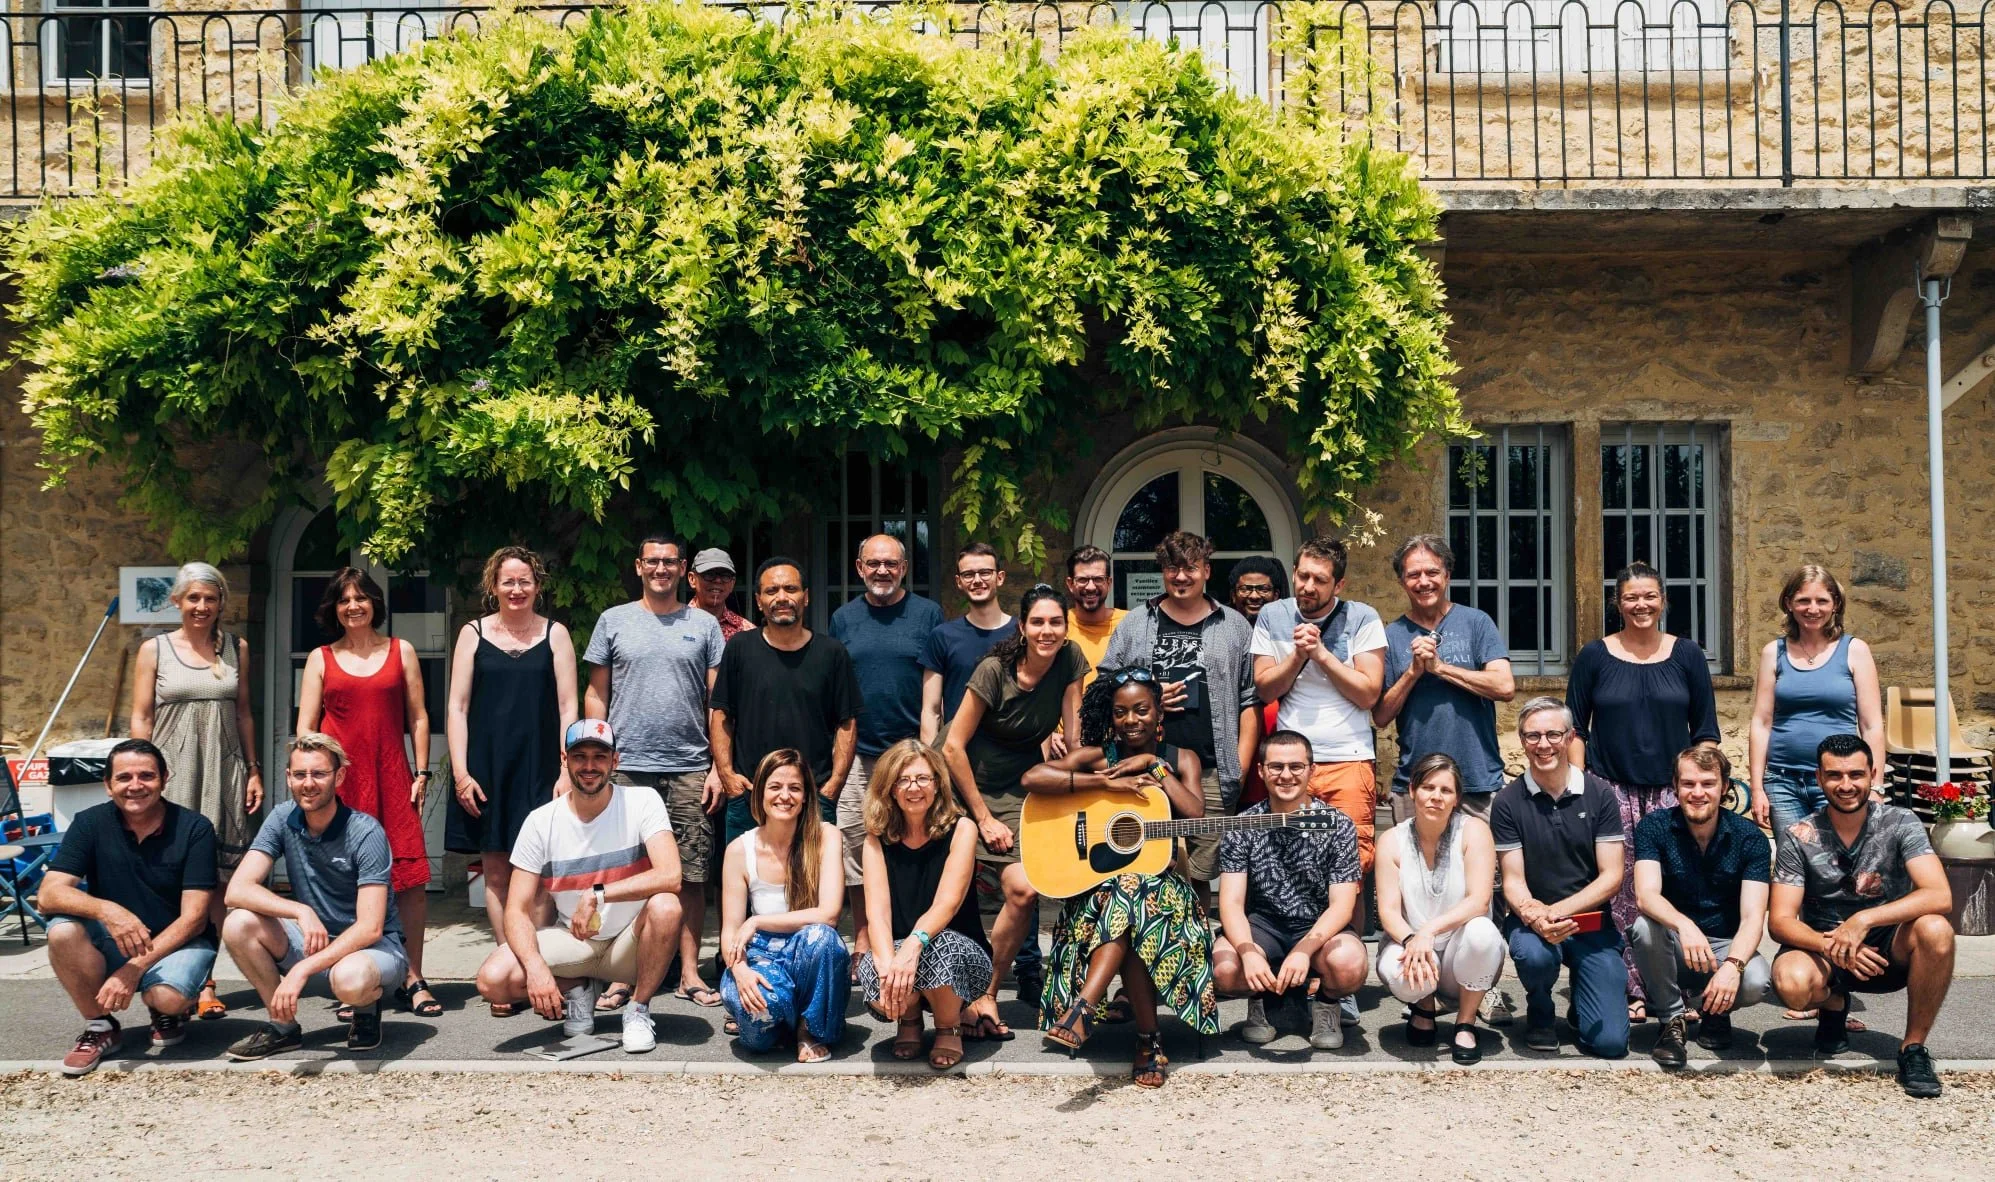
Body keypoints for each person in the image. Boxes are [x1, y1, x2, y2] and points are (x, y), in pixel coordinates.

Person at [1024, 668, 1219, 1087]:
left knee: (1132, 897)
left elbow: (1196, 814)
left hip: (1167, 896)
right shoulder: (1099, 756)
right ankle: (1148, 1043)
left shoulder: (1182, 756)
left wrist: (1155, 767)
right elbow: (1033, 778)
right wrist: (1106, 785)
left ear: (1158, 711)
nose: (1131, 720)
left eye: (1141, 710)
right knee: (1126, 898)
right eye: (1121, 712)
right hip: (1098, 897)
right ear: (1111, 717)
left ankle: (1082, 1010)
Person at [1565, 560, 1720, 1023]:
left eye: (1649, 596)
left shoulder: (1687, 655)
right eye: (1631, 597)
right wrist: (1581, 787)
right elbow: (1575, 729)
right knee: (1620, 892)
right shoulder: (1594, 656)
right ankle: (1631, 990)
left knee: (1674, 888)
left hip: (1674, 795)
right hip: (1611, 791)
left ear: (1663, 600)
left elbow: (1706, 732)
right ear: (1618, 603)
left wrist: (1698, 786)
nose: (1641, 605)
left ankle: (1677, 988)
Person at [472, 719, 685, 1054]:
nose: (589, 766)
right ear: (564, 760)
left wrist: (597, 892)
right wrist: (536, 967)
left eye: (600, 757)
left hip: (630, 943)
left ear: (615, 761)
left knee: (667, 906)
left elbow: (671, 875)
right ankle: (579, 989)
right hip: (574, 941)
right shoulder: (541, 822)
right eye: (579, 756)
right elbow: (515, 909)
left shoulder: (643, 801)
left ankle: (638, 1008)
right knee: (492, 981)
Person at [582, 533, 725, 1012]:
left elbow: (716, 704)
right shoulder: (613, 621)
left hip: (688, 766)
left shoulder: (705, 625)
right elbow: (596, 696)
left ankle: (687, 972)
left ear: (683, 569)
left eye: (669, 562)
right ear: (638, 566)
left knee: (691, 873)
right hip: (627, 769)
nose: (660, 569)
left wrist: (716, 767)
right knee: (626, 870)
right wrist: (598, 759)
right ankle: (623, 974)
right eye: (652, 562)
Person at [1770, 734, 1955, 1098]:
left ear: (1872, 774)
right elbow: (1780, 921)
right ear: (1819, 778)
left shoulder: (1901, 822)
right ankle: (1835, 1003)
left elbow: (1939, 894)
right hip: (1824, 945)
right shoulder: (1799, 835)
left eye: (1855, 774)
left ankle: (1913, 1049)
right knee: (1791, 984)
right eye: (1834, 775)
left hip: (1889, 945)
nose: (1846, 785)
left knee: (1937, 929)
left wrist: (1864, 921)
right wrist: (1836, 943)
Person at [941, 584, 1087, 1040]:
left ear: (1066, 627)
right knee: (950, 890)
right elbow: (951, 746)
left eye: (1056, 622)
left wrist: (1081, 787)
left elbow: (1075, 740)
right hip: (960, 782)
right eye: (1038, 622)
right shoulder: (993, 670)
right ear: (1022, 627)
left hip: (1020, 784)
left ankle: (986, 992)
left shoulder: (1070, 659)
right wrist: (983, 817)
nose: (1047, 631)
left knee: (1024, 888)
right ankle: (936, 994)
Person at [295, 567, 439, 1018]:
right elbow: (306, 727)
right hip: (343, 784)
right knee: (347, 880)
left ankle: (413, 977)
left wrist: (421, 772)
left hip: (393, 775)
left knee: (409, 882)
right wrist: (318, 776)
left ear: (375, 603)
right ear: (334, 609)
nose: (353, 606)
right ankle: (351, 976)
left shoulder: (402, 651)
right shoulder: (321, 657)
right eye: (344, 600)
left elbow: (418, 716)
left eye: (361, 598)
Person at [221, 733, 409, 1059]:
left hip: (370, 951)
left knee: (351, 979)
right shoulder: (281, 818)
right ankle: (282, 1026)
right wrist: (300, 912)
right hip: (314, 942)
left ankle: (365, 1009)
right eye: (300, 774)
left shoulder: (365, 832)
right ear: (288, 778)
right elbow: (237, 890)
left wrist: (300, 971)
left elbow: (370, 928)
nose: (308, 784)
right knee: (238, 923)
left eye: (319, 774)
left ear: (339, 777)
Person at [129, 560, 262, 1020]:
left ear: (222, 602)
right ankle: (187, 983)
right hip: (173, 773)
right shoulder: (155, 650)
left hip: (224, 772)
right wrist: (141, 776)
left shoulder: (237, 648)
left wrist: (254, 769)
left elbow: (244, 712)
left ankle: (218, 978)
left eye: (210, 598)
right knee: (179, 881)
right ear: (177, 601)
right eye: (193, 598)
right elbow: (142, 717)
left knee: (223, 883)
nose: (202, 606)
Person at [42, 739, 219, 1077]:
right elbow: (49, 894)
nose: (135, 786)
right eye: (124, 778)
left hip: (178, 942)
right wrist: (109, 911)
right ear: (108, 785)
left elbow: (195, 919)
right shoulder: (89, 823)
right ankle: (100, 1027)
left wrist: (132, 969)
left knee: (166, 997)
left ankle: (165, 1010)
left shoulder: (195, 828)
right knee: (62, 931)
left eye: (146, 776)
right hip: (116, 937)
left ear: (165, 778)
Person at [446, 546, 579, 971]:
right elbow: (457, 708)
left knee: (540, 875)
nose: (516, 589)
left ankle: (538, 964)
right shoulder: (473, 633)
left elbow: (568, 707)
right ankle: (511, 966)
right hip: (487, 769)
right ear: (494, 586)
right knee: (497, 871)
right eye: (508, 581)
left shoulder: (556, 634)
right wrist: (462, 774)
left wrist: (566, 770)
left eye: (525, 581)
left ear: (537, 586)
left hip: (542, 769)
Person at [1103, 530, 1258, 892]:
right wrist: (1150, 691)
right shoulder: (1137, 622)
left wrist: (1239, 765)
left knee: (1200, 877)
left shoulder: (1234, 625)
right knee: (1139, 866)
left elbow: (1249, 699)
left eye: (1190, 568)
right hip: (1141, 765)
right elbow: (1105, 686)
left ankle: (1195, 948)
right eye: (1172, 568)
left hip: (1211, 770)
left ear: (1206, 571)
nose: (1181, 576)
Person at [1211, 729, 1365, 1053]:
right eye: (1276, 766)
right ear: (1261, 771)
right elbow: (1231, 902)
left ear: (1311, 770)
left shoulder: (1337, 824)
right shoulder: (1243, 825)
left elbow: (1341, 907)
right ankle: (1261, 1000)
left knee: (1350, 963)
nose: (1286, 775)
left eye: (1296, 766)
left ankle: (1326, 1004)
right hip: (1263, 925)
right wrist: (1249, 954)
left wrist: (1304, 950)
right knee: (1225, 967)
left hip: (1318, 925)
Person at [1492, 697, 1630, 1059]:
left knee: (1611, 1044)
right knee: (1535, 957)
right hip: (1531, 923)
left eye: (1553, 734)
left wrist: (1556, 912)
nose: (1543, 744)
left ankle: (1583, 1005)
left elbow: (1612, 876)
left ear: (1570, 737)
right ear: (1522, 741)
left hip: (1590, 924)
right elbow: (1513, 880)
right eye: (1533, 735)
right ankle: (1540, 1009)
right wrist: (1537, 917)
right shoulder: (1507, 801)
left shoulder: (1600, 794)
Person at [831, 534, 944, 962]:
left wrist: (929, 754)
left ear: (904, 568)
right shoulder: (843, 618)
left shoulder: (928, 614)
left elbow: (938, 687)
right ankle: (864, 938)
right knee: (858, 850)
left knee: (915, 842)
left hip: (911, 755)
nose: (882, 571)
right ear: (859, 568)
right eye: (873, 563)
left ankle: (915, 934)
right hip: (859, 756)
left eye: (891, 563)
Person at [1250, 537, 1385, 883]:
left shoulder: (1362, 617)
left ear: (1339, 584)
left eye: (1320, 580)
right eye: (1303, 576)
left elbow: (1369, 694)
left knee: (1353, 863)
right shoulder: (1272, 615)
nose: (1308, 587)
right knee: (1292, 864)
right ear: (1293, 572)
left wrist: (1321, 654)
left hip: (1348, 758)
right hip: (1290, 764)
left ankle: (1349, 938)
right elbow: (1265, 689)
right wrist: (1297, 655)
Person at [1631, 743, 1772, 1067]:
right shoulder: (1654, 827)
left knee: (1755, 980)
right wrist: (1685, 925)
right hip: (1675, 942)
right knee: (1644, 927)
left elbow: (1753, 918)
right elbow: (1646, 895)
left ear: (1724, 787)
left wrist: (1732, 967)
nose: (1698, 792)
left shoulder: (1750, 838)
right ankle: (1671, 1022)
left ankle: (1715, 1010)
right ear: (1675, 787)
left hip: (1724, 943)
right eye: (1688, 784)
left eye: (1708, 783)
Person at [857, 739, 991, 1070]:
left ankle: (949, 1025)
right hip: (903, 948)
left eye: (922, 778)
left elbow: (947, 903)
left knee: (941, 947)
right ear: (889, 788)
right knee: (872, 969)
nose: (913, 788)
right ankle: (911, 1020)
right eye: (903, 780)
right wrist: (888, 964)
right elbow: (877, 914)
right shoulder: (876, 838)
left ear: (937, 783)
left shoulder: (962, 828)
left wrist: (911, 949)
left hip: (958, 951)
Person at [709, 557, 861, 846]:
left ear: (806, 597)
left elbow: (847, 722)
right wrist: (727, 776)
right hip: (750, 796)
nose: (781, 598)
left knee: (814, 885)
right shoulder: (740, 649)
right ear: (759, 600)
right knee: (743, 885)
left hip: (813, 796)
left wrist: (834, 785)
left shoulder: (832, 653)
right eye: (771, 591)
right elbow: (721, 715)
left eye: (790, 589)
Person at [719, 750, 850, 1063]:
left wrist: (757, 921)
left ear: (806, 796)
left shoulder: (826, 836)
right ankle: (775, 1020)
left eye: (795, 788)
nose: (785, 796)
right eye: (775, 787)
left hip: (807, 956)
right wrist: (739, 971)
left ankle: (808, 1030)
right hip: (761, 955)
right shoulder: (740, 849)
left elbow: (829, 914)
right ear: (761, 792)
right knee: (760, 1020)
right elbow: (729, 930)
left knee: (823, 938)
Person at [1373, 535, 1514, 822]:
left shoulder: (1476, 622)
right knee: (1417, 867)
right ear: (1402, 582)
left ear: (1447, 576)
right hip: (1416, 784)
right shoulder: (1392, 634)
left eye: (1432, 572)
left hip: (1477, 780)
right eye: (1413, 574)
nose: (1423, 581)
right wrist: (1413, 672)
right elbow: (1381, 715)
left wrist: (1440, 668)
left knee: (1480, 866)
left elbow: (1504, 686)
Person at [1375, 753, 1503, 1065]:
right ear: (1413, 791)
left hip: (1463, 951)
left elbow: (1479, 900)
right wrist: (1411, 940)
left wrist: (1428, 932)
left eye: (1445, 791)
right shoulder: (1392, 840)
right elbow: (1389, 910)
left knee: (1483, 932)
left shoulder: (1474, 831)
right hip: (1414, 948)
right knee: (1404, 975)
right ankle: (1423, 1006)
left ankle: (1465, 1022)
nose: (1436, 797)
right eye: (1428, 788)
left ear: (1457, 798)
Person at [1749, 565, 1886, 834]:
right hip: (1783, 781)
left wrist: (1875, 786)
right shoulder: (1773, 652)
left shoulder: (1855, 650)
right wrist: (1757, 788)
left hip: (1840, 780)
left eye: (1822, 600)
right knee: (1793, 864)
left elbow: (1872, 725)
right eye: (1803, 600)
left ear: (1835, 604)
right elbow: (1761, 723)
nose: (1813, 609)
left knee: (1839, 863)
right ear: (1789, 604)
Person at [919, 542, 1013, 732]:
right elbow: (931, 710)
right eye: (968, 574)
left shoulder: (1021, 634)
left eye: (985, 572)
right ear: (958, 582)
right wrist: (931, 760)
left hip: (1011, 753)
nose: (977, 580)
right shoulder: (942, 636)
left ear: (1000, 577)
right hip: (957, 751)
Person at [1229, 556, 1286, 811]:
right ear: (1233, 595)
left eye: (1262, 589)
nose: (1254, 596)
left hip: (1280, 756)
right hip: (1237, 756)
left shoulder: (1288, 637)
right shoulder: (1225, 638)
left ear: (1276, 594)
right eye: (1245, 589)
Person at [1063, 544, 1126, 690]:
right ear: (1070, 584)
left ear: (1109, 583)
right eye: (1083, 580)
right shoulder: (1058, 625)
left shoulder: (1128, 624)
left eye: (1098, 579)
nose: (1090, 587)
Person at [689, 548, 755, 640]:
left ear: (732, 583)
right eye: (709, 574)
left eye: (725, 576)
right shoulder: (675, 625)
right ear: (692, 579)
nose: (718, 580)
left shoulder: (746, 632)